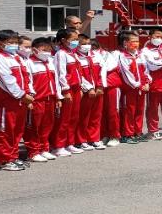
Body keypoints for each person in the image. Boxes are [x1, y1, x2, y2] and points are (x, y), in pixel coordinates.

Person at [0, 30, 32, 171]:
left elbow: (26, 76)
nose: (14, 45)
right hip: (7, 101)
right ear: (0, 43)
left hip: (20, 100)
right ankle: (4, 159)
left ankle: (13, 156)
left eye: (15, 42)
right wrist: (21, 94)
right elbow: (5, 80)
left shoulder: (16, 58)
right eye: (10, 42)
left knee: (17, 130)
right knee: (5, 131)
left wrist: (29, 93)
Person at [25, 37, 61, 162]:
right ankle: (33, 151)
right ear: (34, 50)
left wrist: (58, 97)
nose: (46, 52)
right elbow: (28, 81)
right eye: (43, 49)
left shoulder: (50, 62)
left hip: (50, 98)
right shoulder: (29, 63)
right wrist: (30, 98)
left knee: (47, 125)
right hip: (37, 99)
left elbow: (55, 81)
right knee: (34, 126)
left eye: (48, 49)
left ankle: (44, 149)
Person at [52, 28, 84, 157]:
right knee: (64, 119)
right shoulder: (61, 54)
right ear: (64, 40)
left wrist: (80, 88)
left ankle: (69, 143)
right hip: (68, 89)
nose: (76, 42)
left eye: (77, 40)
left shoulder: (73, 53)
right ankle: (59, 146)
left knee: (74, 118)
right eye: (74, 40)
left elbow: (78, 72)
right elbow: (61, 74)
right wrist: (65, 90)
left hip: (76, 88)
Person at [117, 31, 149, 144]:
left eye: (137, 41)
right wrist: (138, 85)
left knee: (139, 110)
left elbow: (145, 70)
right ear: (126, 43)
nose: (136, 43)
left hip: (141, 89)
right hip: (129, 89)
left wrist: (147, 82)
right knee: (129, 111)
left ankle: (137, 132)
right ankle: (127, 134)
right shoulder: (122, 56)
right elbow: (126, 74)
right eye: (133, 41)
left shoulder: (140, 55)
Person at [77, 36, 106, 150]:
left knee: (96, 115)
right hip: (86, 91)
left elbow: (103, 70)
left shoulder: (95, 55)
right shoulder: (75, 56)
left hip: (98, 89)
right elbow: (79, 75)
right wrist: (88, 88)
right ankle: (81, 140)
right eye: (83, 44)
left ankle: (94, 138)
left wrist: (100, 85)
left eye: (88, 43)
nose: (87, 46)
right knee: (84, 116)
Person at [99, 37, 123, 147]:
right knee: (102, 112)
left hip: (112, 86)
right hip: (99, 87)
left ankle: (115, 136)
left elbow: (107, 69)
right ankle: (105, 134)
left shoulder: (108, 55)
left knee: (113, 112)